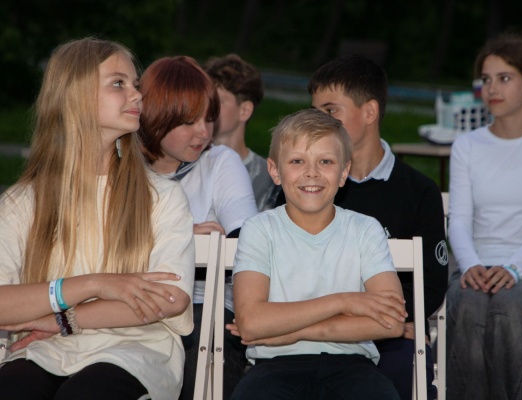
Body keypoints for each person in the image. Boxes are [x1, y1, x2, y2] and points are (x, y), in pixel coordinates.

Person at [0, 38, 194, 400]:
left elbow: (171, 298)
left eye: (135, 84)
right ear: (75, 96)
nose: (137, 95)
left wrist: (61, 319)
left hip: (136, 352)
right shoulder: (24, 201)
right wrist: (94, 284)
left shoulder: (161, 196)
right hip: (44, 349)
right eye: (119, 83)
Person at [227, 108, 405, 400]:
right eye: (297, 161)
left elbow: (391, 320)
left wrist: (293, 332)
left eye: (326, 161)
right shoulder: (259, 229)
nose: (312, 172)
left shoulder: (364, 229)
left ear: (344, 172)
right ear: (275, 170)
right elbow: (252, 323)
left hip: (353, 365)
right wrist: (344, 301)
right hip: (274, 367)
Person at [307, 54, 447, 399]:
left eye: (330, 110)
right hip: (315, 327)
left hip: (388, 332)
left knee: (404, 368)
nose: (318, 122)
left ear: (369, 112)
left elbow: (430, 282)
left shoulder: (419, 191)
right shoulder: (306, 186)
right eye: (314, 112)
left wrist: (393, 320)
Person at [446, 33, 522, 400]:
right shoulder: (466, 146)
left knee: (509, 307)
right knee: (469, 304)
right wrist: (470, 265)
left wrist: (514, 269)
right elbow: (459, 221)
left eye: (504, 78)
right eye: (486, 79)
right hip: (475, 269)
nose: (492, 88)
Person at [137, 55, 257, 400]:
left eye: (209, 118)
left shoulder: (220, 162)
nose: (204, 132)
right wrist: (181, 236)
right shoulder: (123, 170)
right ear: (157, 116)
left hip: (207, 305)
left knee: (201, 343)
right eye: (189, 121)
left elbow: (247, 239)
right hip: (135, 302)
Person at [204, 54, 281, 211]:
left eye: (218, 101)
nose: (207, 108)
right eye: (205, 100)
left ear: (244, 110)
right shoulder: (188, 164)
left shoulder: (269, 178)